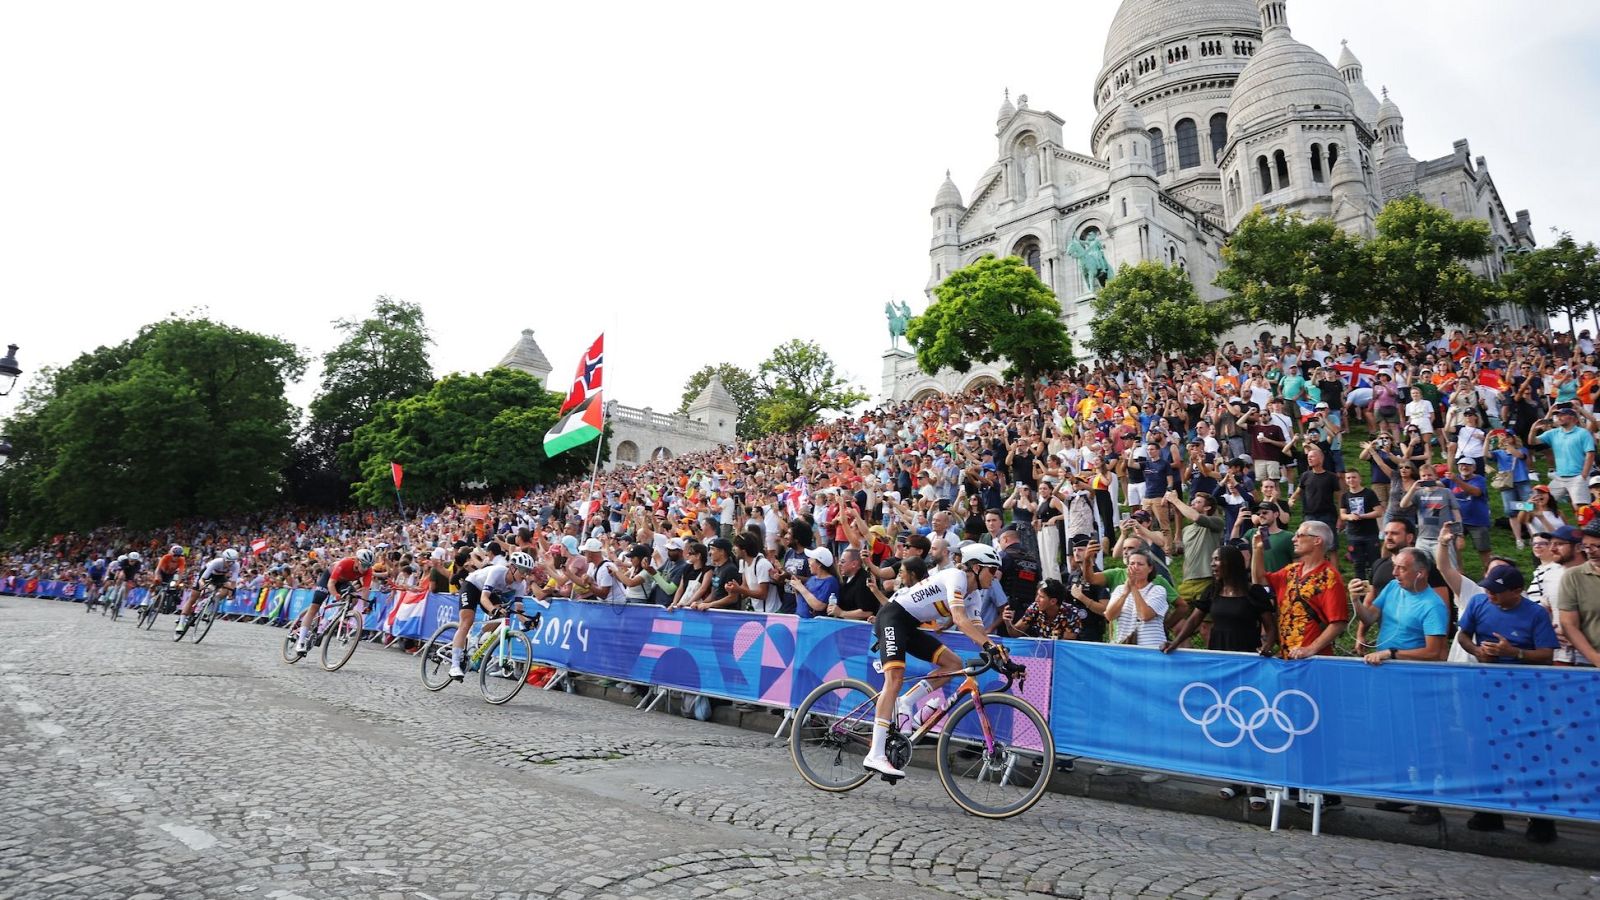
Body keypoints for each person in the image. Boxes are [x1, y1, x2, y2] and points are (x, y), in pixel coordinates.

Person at [863, 543, 1007, 779]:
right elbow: (960, 620)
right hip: (892, 617)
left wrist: (999, 652)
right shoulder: (956, 577)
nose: (996, 576)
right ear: (977, 567)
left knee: (954, 665)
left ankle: (907, 702)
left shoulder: (974, 597)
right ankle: (875, 754)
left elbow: (979, 634)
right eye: (993, 570)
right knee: (895, 679)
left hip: (909, 626)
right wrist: (989, 646)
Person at [1252, 520, 1348, 659]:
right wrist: (1257, 549)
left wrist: (1310, 649)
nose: (1293, 539)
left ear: (1317, 540)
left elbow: (1338, 622)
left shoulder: (1329, 576)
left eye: (1300, 535)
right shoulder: (1292, 570)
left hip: (1312, 661)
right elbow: (1259, 580)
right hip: (1288, 657)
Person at [1163, 546, 1273, 653]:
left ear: (1232, 563)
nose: (1212, 564)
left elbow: (1270, 626)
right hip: (1218, 653)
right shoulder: (1212, 591)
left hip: (1246, 656)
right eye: (1212, 560)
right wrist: (1175, 643)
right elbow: (1193, 620)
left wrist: (1267, 645)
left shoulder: (1255, 592)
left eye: (1217, 559)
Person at [449, 551, 538, 680]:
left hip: (489, 592)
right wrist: (492, 610)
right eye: (523, 570)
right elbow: (484, 598)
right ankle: (454, 666)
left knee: (503, 615)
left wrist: (526, 621)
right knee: (467, 622)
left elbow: (519, 609)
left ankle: (477, 638)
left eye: (528, 571)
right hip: (472, 586)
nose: (525, 575)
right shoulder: (498, 571)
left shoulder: (521, 584)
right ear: (512, 568)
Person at [291, 549, 374, 656]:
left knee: (354, 598)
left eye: (369, 565)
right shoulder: (345, 563)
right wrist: (336, 595)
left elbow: (366, 590)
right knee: (314, 607)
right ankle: (301, 642)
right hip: (328, 579)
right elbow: (331, 583)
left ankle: (337, 617)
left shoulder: (368, 570)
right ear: (357, 561)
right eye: (364, 564)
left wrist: (365, 607)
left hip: (343, 582)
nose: (366, 568)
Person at [1165, 491, 1223, 631]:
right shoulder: (1187, 530)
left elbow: (1196, 517)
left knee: (1206, 627)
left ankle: (1212, 653)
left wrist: (1175, 500)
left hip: (1207, 580)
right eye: (1192, 502)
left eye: (1197, 502)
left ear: (1207, 508)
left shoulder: (1216, 522)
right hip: (1187, 581)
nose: (1192, 504)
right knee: (1177, 625)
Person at [1531, 404, 1596, 512]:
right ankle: (1550, 525)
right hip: (1559, 477)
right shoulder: (1553, 433)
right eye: (1558, 415)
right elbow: (1532, 442)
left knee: (1581, 509)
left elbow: (1590, 454)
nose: (1559, 417)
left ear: (1572, 417)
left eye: (1562, 415)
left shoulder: (1583, 433)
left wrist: (1583, 475)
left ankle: (1587, 528)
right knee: (1542, 502)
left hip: (1577, 477)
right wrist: (1533, 429)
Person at [1556, 523, 1600, 668]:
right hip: (1589, 663)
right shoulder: (1573, 577)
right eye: (1586, 546)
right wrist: (1596, 659)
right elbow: (1569, 624)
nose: (1590, 551)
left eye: (1596, 546)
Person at [1105, 549, 1168, 649]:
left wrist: (1133, 587)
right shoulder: (1119, 590)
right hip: (1126, 648)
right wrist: (1125, 594)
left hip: (1152, 648)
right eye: (1132, 563)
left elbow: (1145, 615)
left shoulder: (1158, 590)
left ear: (1150, 568)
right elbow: (1109, 616)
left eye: (1140, 564)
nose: (1135, 567)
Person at [1443, 457, 1492, 574]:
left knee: (1483, 549)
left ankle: (1489, 572)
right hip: (1457, 520)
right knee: (1454, 547)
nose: (1464, 467)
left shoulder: (1480, 479)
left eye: (1468, 465)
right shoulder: (1451, 479)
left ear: (1474, 468)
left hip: (1477, 521)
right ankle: (1460, 572)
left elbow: (1476, 492)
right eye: (1461, 465)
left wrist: (1457, 481)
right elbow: (1437, 484)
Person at [177, 548, 239, 637]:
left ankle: (209, 603)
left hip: (220, 576)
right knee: (193, 598)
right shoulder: (216, 562)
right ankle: (181, 623)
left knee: (227, 588)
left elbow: (233, 583)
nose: (230, 564)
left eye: (232, 562)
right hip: (207, 575)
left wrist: (231, 593)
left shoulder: (236, 565)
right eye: (228, 561)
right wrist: (203, 587)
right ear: (224, 559)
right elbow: (202, 580)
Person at [1289, 446, 1341, 546]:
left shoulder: (1331, 477)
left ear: (1321, 459)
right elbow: (1298, 491)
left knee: (1331, 546)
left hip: (1328, 515)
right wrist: (1291, 500)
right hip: (1309, 515)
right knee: (1309, 545)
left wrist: (1340, 517)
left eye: (1312, 456)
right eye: (1308, 457)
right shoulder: (1305, 475)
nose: (1309, 459)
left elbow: (1339, 497)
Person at [1000, 578, 1083, 640]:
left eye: (1041, 597)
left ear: (1053, 601)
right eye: (1037, 595)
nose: (1036, 600)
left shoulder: (1071, 613)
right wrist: (1008, 623)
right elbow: (1015, 634)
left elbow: (1066, 645)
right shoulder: (1034, 608)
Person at [1339, 470, 1383, 581]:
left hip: (1370, 534)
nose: (1351, 480)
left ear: (1359, 479)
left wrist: (1362, 516)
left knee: (1375, 562)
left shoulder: (1369, 493)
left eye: (1354, 477)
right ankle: (1361, 591)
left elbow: (1378, 512)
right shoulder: (1345, 496)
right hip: (1354, 535)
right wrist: (1349, 517)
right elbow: (1342, 515)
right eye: (1348, 478)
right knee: (1358, 564)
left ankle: (1375, 587)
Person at [791, 546, 840, 619]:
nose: (808, 561)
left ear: (819, 564)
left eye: (811, 559)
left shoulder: (830, 582)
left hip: (815, 624)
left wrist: (801, 588)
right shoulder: (812, 579)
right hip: (801, 620)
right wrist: (797, 590)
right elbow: (803, 602)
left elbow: (819, 606)